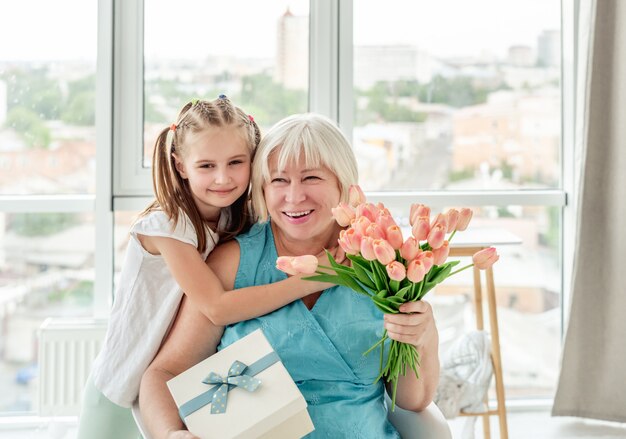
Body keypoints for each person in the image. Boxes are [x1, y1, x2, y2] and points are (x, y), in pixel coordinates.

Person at [140, 113, 440, 439]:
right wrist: (171, 434)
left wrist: (422, 336)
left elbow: (412, 400)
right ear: (263, 188)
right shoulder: (234, 261)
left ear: (343, 183)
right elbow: (164, 371)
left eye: (311, 178)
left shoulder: (384, 263)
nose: (294, 197)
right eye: (279, 181)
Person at [77, 98, 336, 439]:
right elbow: (216, 307)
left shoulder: (233, 215)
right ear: (181, 166)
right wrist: (310, 279)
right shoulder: (168, 226)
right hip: (120, 386)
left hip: (178, 383)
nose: (223, 178)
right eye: (206, 166)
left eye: (236, 162)